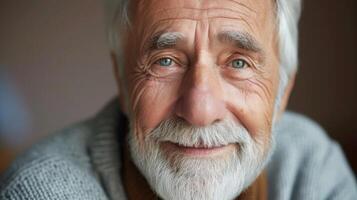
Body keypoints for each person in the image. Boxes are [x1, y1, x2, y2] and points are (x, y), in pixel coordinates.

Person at [1, 0, 356, 199]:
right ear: (122, 82)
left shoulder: (311, 168)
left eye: (238, 62)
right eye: (165, 61)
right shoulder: (42, 191)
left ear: (282, 94)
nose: (200, 111)